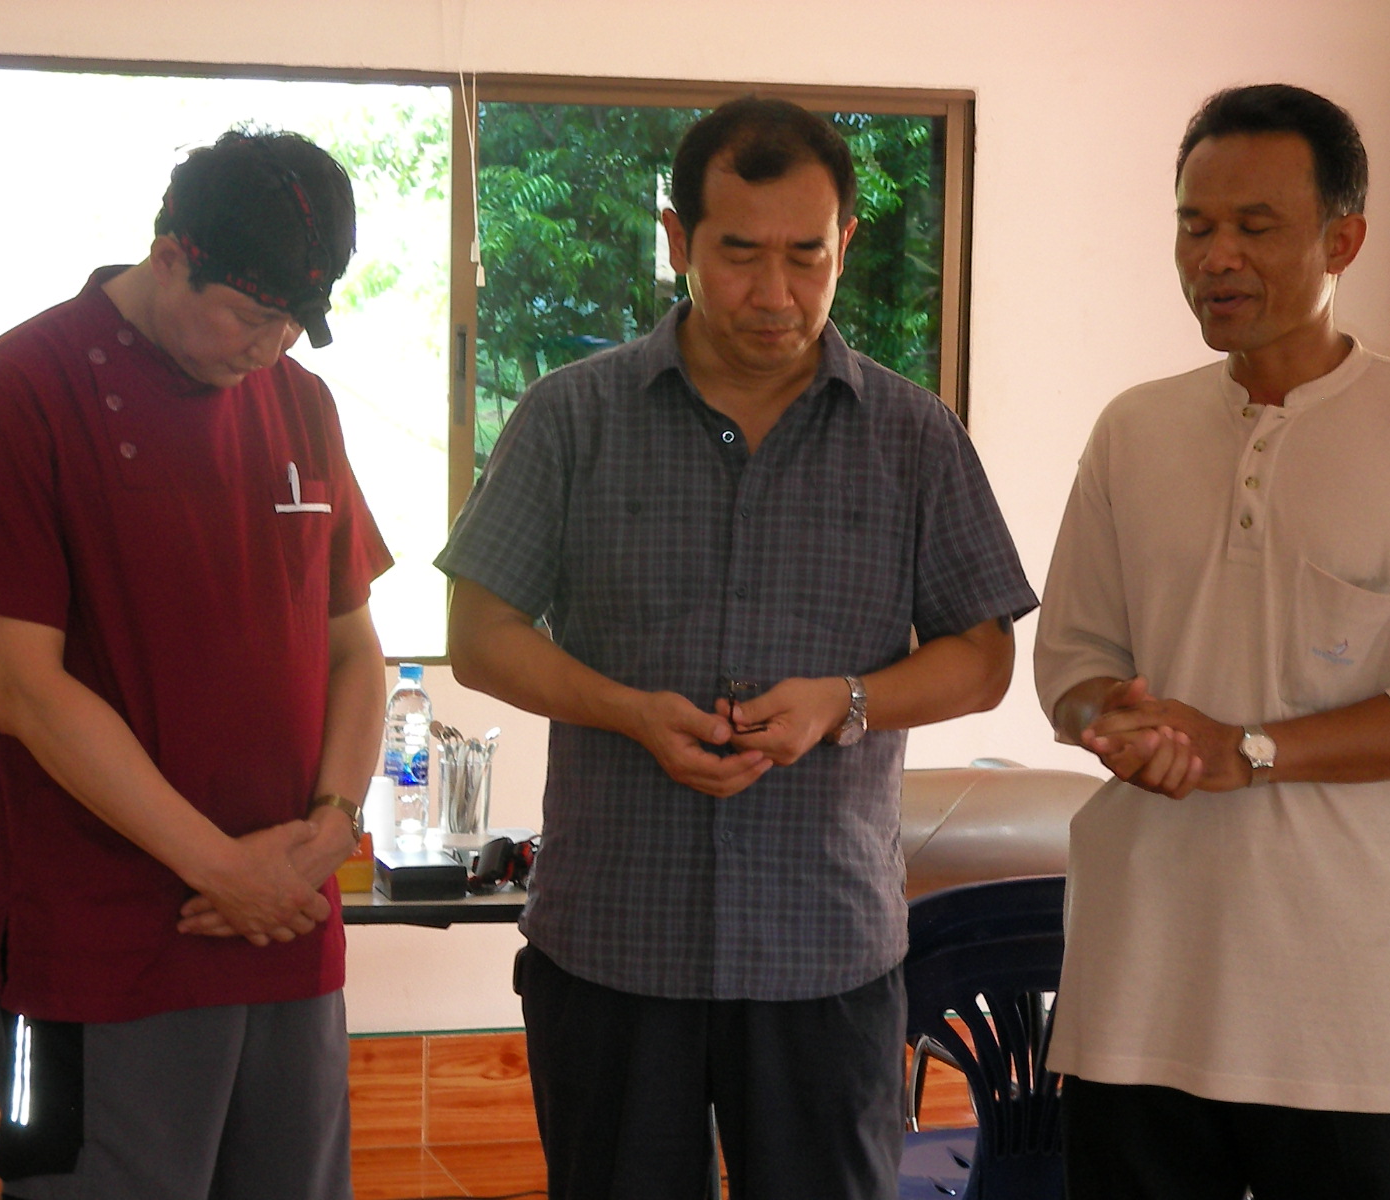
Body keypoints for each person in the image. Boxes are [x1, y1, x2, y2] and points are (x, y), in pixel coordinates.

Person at [436, 96, 1037, 1200]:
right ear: (678, 239)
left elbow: (983, 657)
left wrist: (844, 701)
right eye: (739, 254)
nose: (775, 293)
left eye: (806, 256)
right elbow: (478, 637)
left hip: (825, 954)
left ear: (846, 241)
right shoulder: (572, 417)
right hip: (613, 946)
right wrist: (628, 711)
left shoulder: (912, 435)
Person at [0, 129, 392, 1200]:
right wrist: (224, 869)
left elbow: (355, 647)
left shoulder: (301, 402)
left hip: (284, 932)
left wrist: (331, 824)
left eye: (294, 325)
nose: (269, 348)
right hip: (93, 950)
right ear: (171, 256)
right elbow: (27, 692)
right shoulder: (18, 391)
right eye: (250, 316)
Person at [1034, 83, 1390, 1199]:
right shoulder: (1133, 428)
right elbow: (1070, 663)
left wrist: (1248, 750)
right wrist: (1115, 722)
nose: (1216, 258)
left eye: (1254, 226)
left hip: (1347, 1021)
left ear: (1344, 240)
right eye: (1194, 225)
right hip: (1135, 1000)